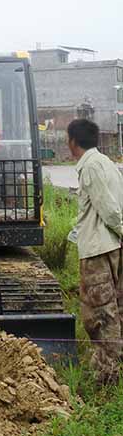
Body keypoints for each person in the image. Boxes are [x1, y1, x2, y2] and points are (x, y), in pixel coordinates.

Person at [67, 118, 123, 385]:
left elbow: (109, 209)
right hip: (111, 246)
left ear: (73, 142)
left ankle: (108, 374)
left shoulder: (90, 166)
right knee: (116, 307)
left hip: (98, 250)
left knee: (99, 314)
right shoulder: (106, 163)